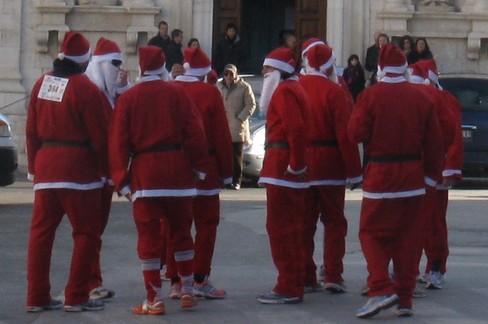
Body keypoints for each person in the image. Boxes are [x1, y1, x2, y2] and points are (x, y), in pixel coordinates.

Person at [109, 45, 209, 314]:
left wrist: (122, 179)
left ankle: (153, 298)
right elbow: (195, 131)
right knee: (182, 233)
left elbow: (118, 141)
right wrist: (199, 168)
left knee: (149, 238)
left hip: (145, 175)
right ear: (163, 66)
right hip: (178, 173)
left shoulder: (129, 98)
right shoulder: (177, 93)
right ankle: (187, 290)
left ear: (141, 68)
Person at [348, 44, 444, 318]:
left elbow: (354, 133)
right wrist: (430, 177)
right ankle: (404, 298)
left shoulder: (370, 95)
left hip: (381, 175)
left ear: (380, 69)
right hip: (413, 177)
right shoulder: (422, 98)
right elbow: (435, 144)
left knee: (371, 233)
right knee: (408, 238)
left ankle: (380, 287)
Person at [26, 31, 108, 312]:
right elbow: (100, 136)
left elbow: (30, 130)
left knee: (40, 235)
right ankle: (76, 296)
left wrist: (33, 167)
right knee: (86, 234)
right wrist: (108, 170)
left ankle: (36, 297)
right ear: (84, 61)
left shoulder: (41, 83)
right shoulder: (86, 89)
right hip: (79, 171)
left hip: (46, 169)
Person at [163, 47, 233, 300]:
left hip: (173, 164)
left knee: (176, 224)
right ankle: (199, 277)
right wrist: (227, 172)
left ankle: (175, 279)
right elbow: (221, 135)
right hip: (206, 164)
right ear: (205, 74)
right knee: (207, 223)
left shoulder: (169, 90)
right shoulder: (209, 93)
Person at [299, 44, 363, 294]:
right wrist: (354, 171)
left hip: (303, 163)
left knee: (304, 223)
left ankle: (306, 274)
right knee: (334, 221)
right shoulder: (335, 92)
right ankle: (333, 273)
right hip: (330, 164)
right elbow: (345, 136)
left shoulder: (294, 88)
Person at [256, 47, 311, 304]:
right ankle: (295, 281)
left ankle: (288, 285)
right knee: (294, 228)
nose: (263, 73)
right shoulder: (294, 89)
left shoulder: (285, 91)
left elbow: (295, 129)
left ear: (278, 71)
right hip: (287, 166)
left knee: (280, 229)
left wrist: (296, 164)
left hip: (282, 166)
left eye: (267, 69)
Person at [409, 60, 463, 289]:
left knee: (432, 221)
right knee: (414, 220)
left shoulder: (444, 99)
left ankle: (435, 266)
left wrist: (450, 167)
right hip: (415, 166)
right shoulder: (427, 95)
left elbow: (453, 136)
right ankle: (409, 266)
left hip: (433, 167)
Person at [85, 36, 130, 301]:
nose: (118, 68)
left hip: (104, 175)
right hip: (92, 174)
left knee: (94, 231)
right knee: (89, 232)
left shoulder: (109, 93)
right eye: (114, 64)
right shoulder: (92, 91)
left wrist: (123, 87)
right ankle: (88, 283)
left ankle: (92, 280)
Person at [217, 63, 256, 190]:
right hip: (223, 124)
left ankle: (236, 180)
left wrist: (240, 118)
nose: (228, 76)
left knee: (236, 155)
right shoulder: (219, 86)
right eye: (226, 74)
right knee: (224, 154)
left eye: (231, 74)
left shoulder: (244, 87)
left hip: (237, 126)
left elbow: (251, 105)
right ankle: (225, 179)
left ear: (235, 74)